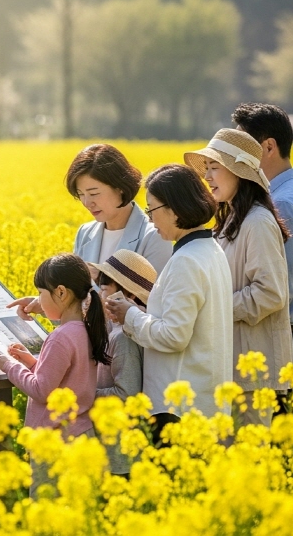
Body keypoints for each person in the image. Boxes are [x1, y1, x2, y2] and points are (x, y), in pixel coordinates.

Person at [106, 164, 233, 443]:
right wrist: (142, 313)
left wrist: (130, 315)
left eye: (151, 209)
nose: (150, 219)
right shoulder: (210, 250)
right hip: (202, 399)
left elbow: (175, 336)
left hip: (179, 408)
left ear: (174, 209)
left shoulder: (186, 261)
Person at [184, 128, 293, 427]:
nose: (207, 177)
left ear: (240, 173)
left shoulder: (257, 222)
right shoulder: (233, 218)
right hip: (233, 366)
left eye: (214, 168)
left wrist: (214, 308)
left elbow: (271, 293)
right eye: (206, 169)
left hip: (254, 371)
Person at [0, 253, 107, 493]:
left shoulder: (60, 337)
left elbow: (41, 390)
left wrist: (8, 365)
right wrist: (32, 362)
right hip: (81, 435)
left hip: (54, 443)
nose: (38, 300)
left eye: (41, 293)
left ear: (61, 292)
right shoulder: (85, 329)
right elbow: (65, 377)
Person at [8, 144, 172, 321]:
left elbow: (153, 311)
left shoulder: (154, 236)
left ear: (120, 187)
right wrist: (45, 304)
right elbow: (75, 300)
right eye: (81, 194)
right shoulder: (85, 233)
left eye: (93, 193)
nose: (87, 202)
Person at [232, 103, 293, 365]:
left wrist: (213, 305)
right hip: (289, 335)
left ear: (269, 147)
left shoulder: (282, 203)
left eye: (243, 147)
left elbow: (277, 290)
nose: (236, 158)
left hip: (281, 340)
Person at [89, 249, 155, 474]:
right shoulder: (117, 330)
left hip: (119, 454)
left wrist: (86, 393)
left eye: (104, 289)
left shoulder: (125, 338)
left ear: (129, 296)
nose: (99, 296)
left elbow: (126, 395)